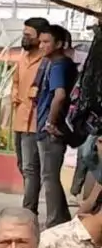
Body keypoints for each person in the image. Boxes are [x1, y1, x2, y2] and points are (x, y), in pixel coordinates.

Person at [31, 23, 77, 228]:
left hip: (51, 130)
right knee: (50, 176)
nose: (41, 45)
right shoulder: (59, 64)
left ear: (59, 43)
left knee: (49, 177)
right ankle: (61, 219)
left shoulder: (58, 65)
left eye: (46, 42)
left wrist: (50, 122)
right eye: (40, 41)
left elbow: (59, 95)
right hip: (50, 127)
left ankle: (54, 222)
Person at [10, 17, 50, 214]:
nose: (24, 38)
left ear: (39, 38)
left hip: (35, 123)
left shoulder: (46, 61)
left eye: (28, 35)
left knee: (30, 168)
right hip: (19, 120)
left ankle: (29, 210)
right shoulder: (21, 58)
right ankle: (30, 202)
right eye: (24, 34)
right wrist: (14, 91)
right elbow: (16, 81)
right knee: (22, 165)